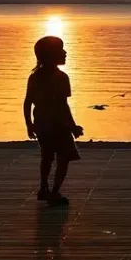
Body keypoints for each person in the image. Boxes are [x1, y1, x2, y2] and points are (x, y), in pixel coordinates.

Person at [24, 36, 84, 206]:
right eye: (61, 50)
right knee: (63, 158)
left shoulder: (34, 77)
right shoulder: (61, 77)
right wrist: (72, 126)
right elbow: (63, 105)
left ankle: (44, 188)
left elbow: (27, 102)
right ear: (50, 55)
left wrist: (29, 124)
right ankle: (54, 192)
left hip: (42, 124)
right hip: (58, 125)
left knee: (47, 157)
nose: (65, 53)